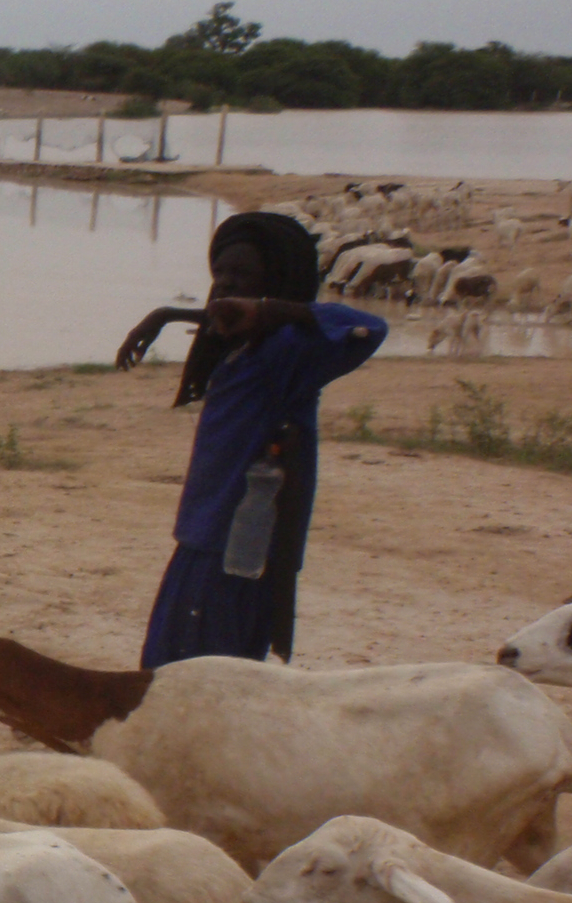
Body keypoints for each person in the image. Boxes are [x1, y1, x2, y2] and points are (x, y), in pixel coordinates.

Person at [114, 211, 386, 668]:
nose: (224, 283)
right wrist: (167, 314)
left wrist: (268, 311)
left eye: (241, 274)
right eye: (219, 273)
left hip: (238, 545)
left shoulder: (289, 350)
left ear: (274, 283)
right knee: (170, 665)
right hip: (202, 534)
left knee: (202, 673)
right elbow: (229, 313)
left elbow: (370, 329)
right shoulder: (246, 344)